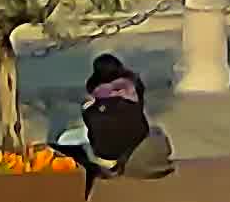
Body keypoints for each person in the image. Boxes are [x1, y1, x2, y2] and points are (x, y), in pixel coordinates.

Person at [54, 53, 172, 183]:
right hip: (134, 144)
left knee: (64, 139)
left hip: (105, 154)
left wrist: (91, 107)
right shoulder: (134, 87)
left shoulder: (94, 99)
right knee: (153, 130)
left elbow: (91, 121)